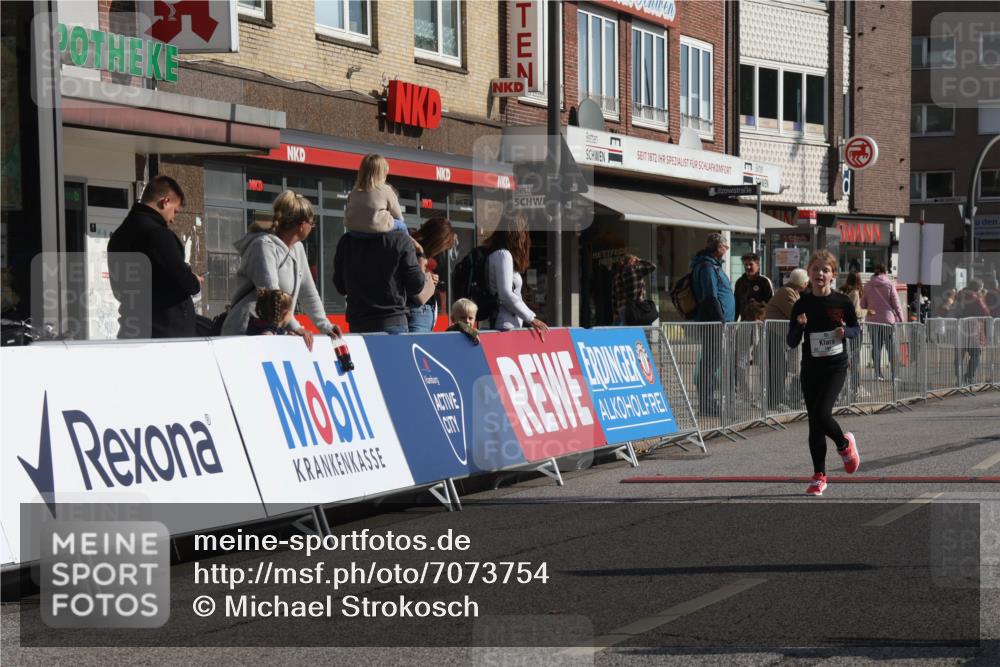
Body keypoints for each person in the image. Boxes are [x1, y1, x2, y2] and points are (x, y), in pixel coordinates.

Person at [222, 191, 341, 349]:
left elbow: (308, 293)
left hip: (271, 330)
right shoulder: (263, 246)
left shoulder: (298, 249)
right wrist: (295, 327)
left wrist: (326, 326)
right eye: (312, 223)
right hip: (246, 330)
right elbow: (273, 296)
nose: (312, 228)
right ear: (301, 225)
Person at [786, 250, 861, 496]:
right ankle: (819, 476)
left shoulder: (842, 302)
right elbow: (791, 341)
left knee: (821, 413)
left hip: (836, 366)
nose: (820, 273)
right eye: (815, 269)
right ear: (808, 273)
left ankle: (844, 444)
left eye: (825, 270)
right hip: (810, 367)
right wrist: (800, 326)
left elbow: (856, 329)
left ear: (833, 275)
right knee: (814, 424)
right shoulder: (802, 304)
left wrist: (845, 333)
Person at [107, 175, 202, 338]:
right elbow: (182, 281)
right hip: (165, 331)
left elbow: (118, 290)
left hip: (132, 326)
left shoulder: (118, 236)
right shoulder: (158, 235)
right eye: (175, 211)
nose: (172, 219)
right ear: (165, 201)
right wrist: (193, 279)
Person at [333, 206, 433, 334]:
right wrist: (419, 256)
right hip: (392, 320)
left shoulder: (346, 241)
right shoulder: (400, 239)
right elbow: (415, 286)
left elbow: (340, 286)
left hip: (359, 321)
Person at [690, 233, 735, 416]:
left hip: (717, 323)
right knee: (709, 364)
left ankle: (709, 402)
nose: (727, 250)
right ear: (718, 248)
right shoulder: (707, 266)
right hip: (714, 324)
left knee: (711, 363)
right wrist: (721, 321)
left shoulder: (712, 264)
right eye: (725, 247)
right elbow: (710, 296)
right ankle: (707, 404)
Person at [485, 213, 548, 339]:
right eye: (524, 230)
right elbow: (505, 293)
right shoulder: (504, 255)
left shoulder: (497, 254)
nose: (526, 236)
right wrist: (532, 318)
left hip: (506, 321)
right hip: (505, 324)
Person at [764, 268, 809, 411]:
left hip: (778, 334)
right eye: (806, 281)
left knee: (780, 368)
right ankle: (774, 401)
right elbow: (796, 314)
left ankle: (777, 399)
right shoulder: (787, 292)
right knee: (778, 369)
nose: (807, 283)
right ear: (801, 282)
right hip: (775, 333)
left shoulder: (791, 291)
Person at [733, 252, 773, 400]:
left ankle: (762, 393)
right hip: (744, 325)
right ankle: (744, 394)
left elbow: (771, 304)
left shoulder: (764, 282)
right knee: (741, 361)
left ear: (758, 264)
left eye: (751, 264)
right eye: (746, 265)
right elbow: (736, 305)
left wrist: (762, 319)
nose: (748, 267)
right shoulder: (740, 282)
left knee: (762, 360)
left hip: (760, 326)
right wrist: (733, 323)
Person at [408, 218, 457, 332]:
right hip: (417, 310)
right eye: (442, 247)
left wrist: (429, 277)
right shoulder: (414, 249)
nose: (440, 251)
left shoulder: (419, 249)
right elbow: (416, 285)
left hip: (424, 310)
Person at [860, 265, 904, 381]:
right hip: (887, 321)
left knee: (876, 347)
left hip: (872, 321)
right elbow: (897, 304)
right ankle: (895, 375)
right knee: (891, 347)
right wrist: (901, 319)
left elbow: (863, 305)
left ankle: (878, 374)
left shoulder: (868, 286)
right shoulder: (889, 285)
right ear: (885, 272)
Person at [344, 154, 405, 234]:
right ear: (382, 173)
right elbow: (398, 216)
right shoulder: (386, 189)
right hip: (376, 229)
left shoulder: (354, 191)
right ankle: (409, 245)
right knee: (401, 225)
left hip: (354, 231)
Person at [953, 279, 990, 386]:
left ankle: (959, 379)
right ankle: (969, 377)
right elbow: (985, 312)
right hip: (973, 331)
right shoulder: (976, 297)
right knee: (975, 355)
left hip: (959, 329)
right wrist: (982, 297)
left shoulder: (959, 294)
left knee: (959, 356)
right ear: (979, 288)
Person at [840, 271, 866, 402]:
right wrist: (867, 311)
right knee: (854, 359)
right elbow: (855, 312)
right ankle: (855, 388)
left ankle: (849, 388)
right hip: (855, 329)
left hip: (847, 329)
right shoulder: (855, 293)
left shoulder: (846, 292)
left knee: (850, 359)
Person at [611, 254, 657, 325]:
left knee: (627, 330)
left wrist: (615, 312)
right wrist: (640, 260)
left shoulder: (616, 276)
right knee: (644, 329)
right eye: (635, 260)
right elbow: (653, 266)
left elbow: (614, 296)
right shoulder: (636, 270)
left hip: (622, 308)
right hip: (636, 307)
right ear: (632, 261)